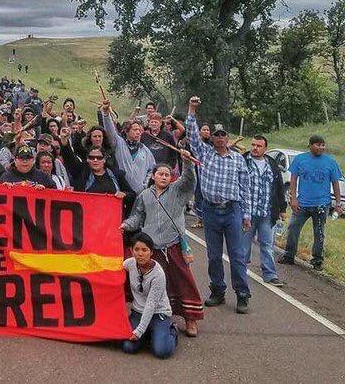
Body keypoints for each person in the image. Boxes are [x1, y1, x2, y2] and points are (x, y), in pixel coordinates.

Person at [121, 152, 203, 337]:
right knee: (153, 284)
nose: (164, 177)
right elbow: (137, 217)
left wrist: (187, 161)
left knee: (184, 280)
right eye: (161, 174)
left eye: (167, 174)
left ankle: (191, 319)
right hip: (152, 248)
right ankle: (156, 317)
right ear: (153, 176)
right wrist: (126, 225)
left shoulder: (177, 190)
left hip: (173, 244)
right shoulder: (144, 195)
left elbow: (190, 180)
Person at [186, 96, 252, 314]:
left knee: (236, 255)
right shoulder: (205, 154)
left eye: (223, 135)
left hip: (233, 210)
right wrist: (192, 110)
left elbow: (245, 188)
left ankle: (242, 294)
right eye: (216, 135)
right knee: (214, 255)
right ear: (212, 138)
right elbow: (193, 136)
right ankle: (217, 291)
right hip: (211, 211)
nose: (220, 138)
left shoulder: (238, 159)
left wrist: (246, 214)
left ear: (228, 138)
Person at [280, 135, 343, 271]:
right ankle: (289, 255)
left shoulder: (330, 162)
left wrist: (338, 204)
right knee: (293, 229)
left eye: (323, 145)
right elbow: (294, 180)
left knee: (319, 233)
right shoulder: (300, 159)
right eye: (318, 145)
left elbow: (336, 184)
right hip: (302, 203)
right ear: (310, 145)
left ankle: (317, 260)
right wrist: (293, 199)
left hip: (322, 204)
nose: (321, 147)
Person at [121, 233, 177, 359]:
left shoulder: (158, 274)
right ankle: (149, 333)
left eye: (144, 250)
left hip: (158, 313)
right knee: (128, 347)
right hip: (138, 313)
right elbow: (113, 271)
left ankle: (172, 330)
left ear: (151, 252)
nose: (140, 254)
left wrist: (139, 331)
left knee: (161, 351)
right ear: (131, 251)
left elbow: (151, 304)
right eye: (136, 250)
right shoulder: (129, 264)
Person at [243, 136, 288, 285]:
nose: (255, 148)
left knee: (267, 244)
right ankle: (240, 271)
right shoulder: (243, 160)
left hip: (267, 212)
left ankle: (270, 274)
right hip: (247, 213)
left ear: (265, 148)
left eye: (259, 146)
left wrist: (282, 208)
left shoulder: (271, 164)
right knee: (244, 244)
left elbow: (279, 187)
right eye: (253, 144)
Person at [101, 100, 155, 193]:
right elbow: (110, 132)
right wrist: (106, 114)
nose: (138, 132)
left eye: (139, 130)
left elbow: (151, 169)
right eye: (135, 130)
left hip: (139, 193)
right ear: (127, 131)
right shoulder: (119, 144)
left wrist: (145, 185)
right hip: (120, 192)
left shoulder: (145, 151)